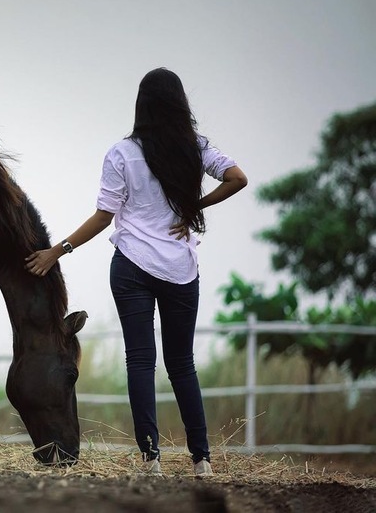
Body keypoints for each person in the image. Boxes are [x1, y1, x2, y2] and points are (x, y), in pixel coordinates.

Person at [25, 68, 248, 477]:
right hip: (181, 268)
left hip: (131, 268)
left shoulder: (122, 153)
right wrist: (196, 208)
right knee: (183, 363)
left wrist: (57, 251)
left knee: (140, 362)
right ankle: (202, 461)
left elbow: (103, 217)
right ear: (181, 103)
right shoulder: (196, 148)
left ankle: (151, 459)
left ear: (141, 105)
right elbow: (238, 178)